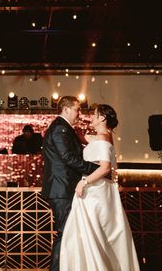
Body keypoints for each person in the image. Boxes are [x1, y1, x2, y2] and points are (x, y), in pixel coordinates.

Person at [59, 104, 140, 270]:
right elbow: (83, 138)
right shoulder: (102, 137)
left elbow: (104, 168)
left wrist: (84, 182)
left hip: (95, 191)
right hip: (97, 190)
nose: (91, 117)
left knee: (93, 233)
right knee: (93, 234)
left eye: (95, 115)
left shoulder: (103, 138)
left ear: (102, 118)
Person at [42, 96, 99, 271]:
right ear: (66, 109)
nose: (80, 113)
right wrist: (96, 169)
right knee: (65, 233)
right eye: (77, 109)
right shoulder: (60, 128)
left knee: (67, 233)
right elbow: (68, 158)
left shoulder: (64, 128)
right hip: (62, 188)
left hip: (63, 187)